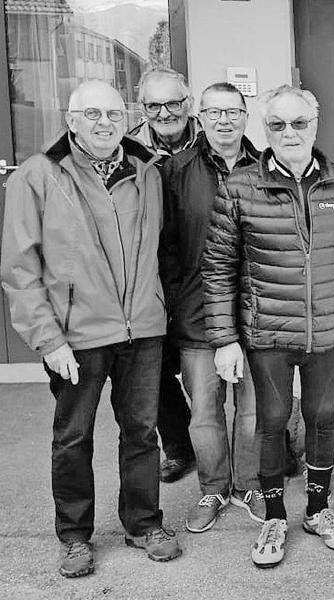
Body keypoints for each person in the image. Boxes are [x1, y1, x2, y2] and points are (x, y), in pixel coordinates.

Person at [0, 80, 181, 578]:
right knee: (73, 436)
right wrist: (48, 339)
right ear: (71, 120)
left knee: (142, 432)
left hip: (142, 328)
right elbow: (20, 268)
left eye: (114, 114)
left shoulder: (147, 171)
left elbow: (161, 249)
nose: (105, 123)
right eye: (93, 115)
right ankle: (75, 536)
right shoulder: (38, 176)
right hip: (76, 336)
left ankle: (144, 523)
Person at [202, 84, 334, 568]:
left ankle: (319, 510)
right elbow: (218, 268)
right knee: (273, 423)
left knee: (323, 420)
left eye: (299, 122)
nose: (289, 132)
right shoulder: (239, 186)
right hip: (267, 334)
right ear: (266, 130)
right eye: (277, 124)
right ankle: (276, 515)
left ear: (316, 124)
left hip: (331, 332)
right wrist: (225, 339)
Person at [159, 82, 266, 533]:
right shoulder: (176, 171)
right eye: (215, 112)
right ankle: (214, 486)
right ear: (199, 116)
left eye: (233, 112)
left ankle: (250, 483)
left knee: (254, 408)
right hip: (197, 311)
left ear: (246, 116)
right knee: (204, 409)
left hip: (257, 309)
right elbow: (165, 246)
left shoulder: (266, 168)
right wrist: (176, 297)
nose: (224, 120)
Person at [130, 66, 200, 484]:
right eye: (153, 105)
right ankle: (178, 446)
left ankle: (264, 443)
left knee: (234, 364)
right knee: (153, 368)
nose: (164, 112)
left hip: (203, 270)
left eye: (172, 103)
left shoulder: (213, 139)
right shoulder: (130, 150)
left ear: (187, 104)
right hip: (149, 274)